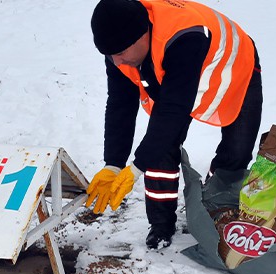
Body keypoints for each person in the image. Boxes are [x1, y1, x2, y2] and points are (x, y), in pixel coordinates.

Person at [86, 0, 263, 249]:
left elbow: (173, 110)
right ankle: (161, 224)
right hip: (175, 70)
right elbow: (120, 106)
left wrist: (136, 168)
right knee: (160, 146)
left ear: (142, 35)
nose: (116, 62)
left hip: (233, 65)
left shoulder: (183, 38)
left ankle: (213, 208)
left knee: (238, 148)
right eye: (110, 55)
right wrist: (113, 164)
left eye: (120, 53)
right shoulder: (119, 47)